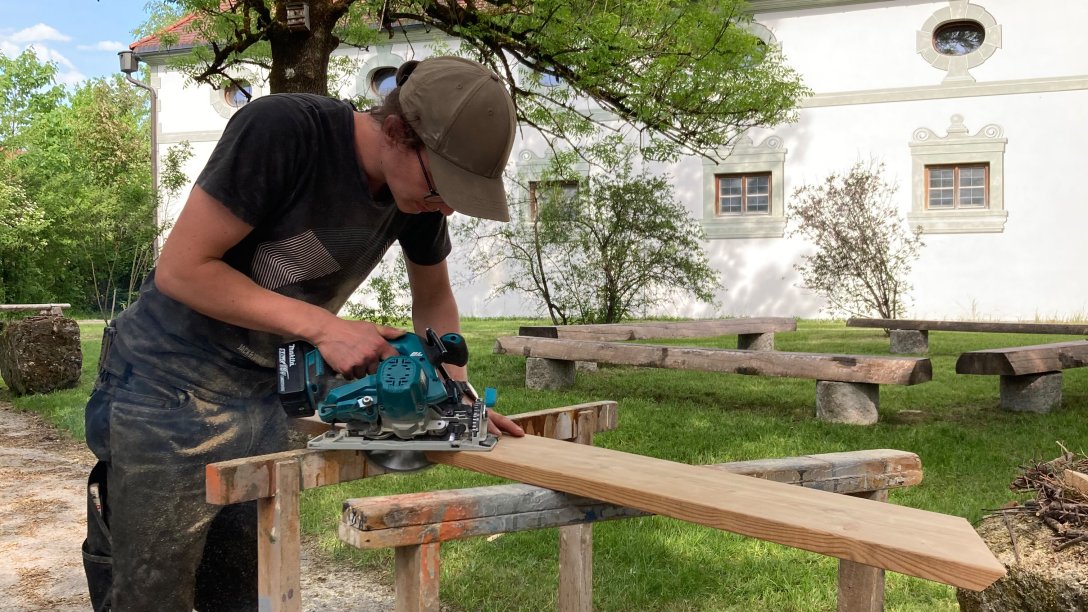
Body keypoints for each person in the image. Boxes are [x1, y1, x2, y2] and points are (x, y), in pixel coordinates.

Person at [81, 55, 526, 611]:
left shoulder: (416, 192)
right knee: (153, 593)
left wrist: (456, 399)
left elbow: (433, 298)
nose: (446, 206)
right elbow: (182, 269)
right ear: (395, 131)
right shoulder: (283, 129)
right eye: (442, 188)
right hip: (165, 383)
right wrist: (325, 328)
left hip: (263, 392)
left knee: (245, 591)